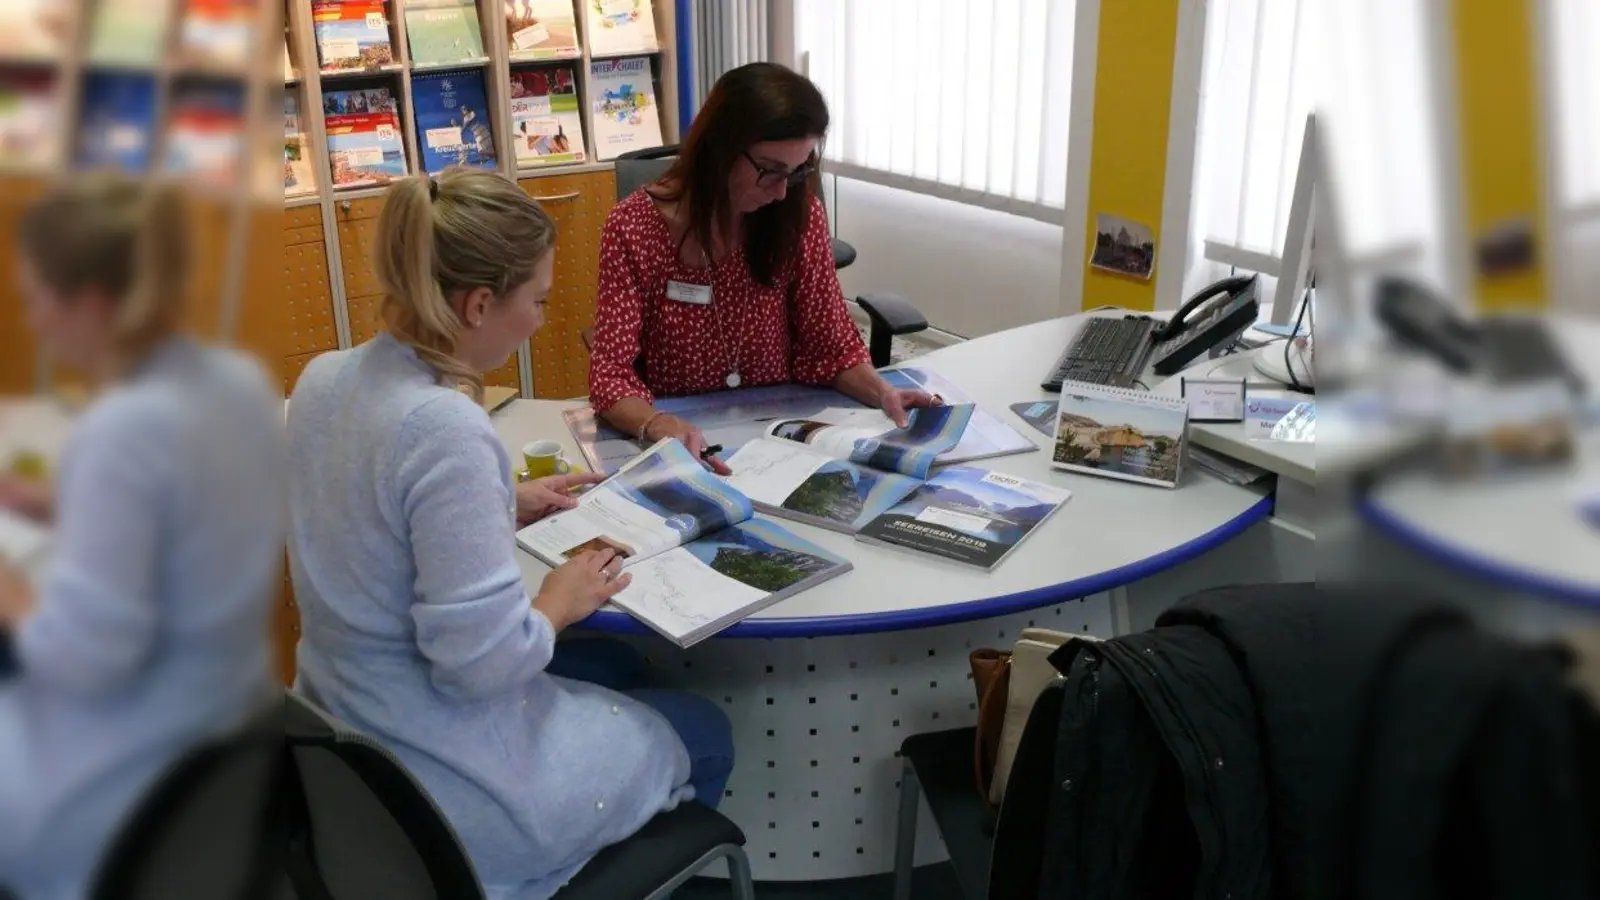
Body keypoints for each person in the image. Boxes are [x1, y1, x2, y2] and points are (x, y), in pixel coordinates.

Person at [286, 167, 732, 899]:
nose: (542, 319)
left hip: (345, 743)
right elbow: (479, 666)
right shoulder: (447, 428)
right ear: (479, 303)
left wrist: (498, 499)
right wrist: (561, 596)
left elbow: (363, 519)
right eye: (539, 301)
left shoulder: (323, 378)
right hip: (439, 783)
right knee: (700, 727)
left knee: (619, 672)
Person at [0, 174, 285, 898]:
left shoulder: (121, 434)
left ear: (93, 303)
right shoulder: (237, 382)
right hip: (229, 734)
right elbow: (193, 516)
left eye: (36, 297)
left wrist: (11, 593)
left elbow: (84, 660)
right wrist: (68, 501)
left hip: (133, 783)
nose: (31, 320)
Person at [588, 62, 936, 473]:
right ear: (720, 145)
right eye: (770, 170)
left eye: (798, 170)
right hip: (687, 441)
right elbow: (610, 373)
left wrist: (882, 391)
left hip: (780, 438)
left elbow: (831, 346)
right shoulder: (634, 227)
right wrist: (656, 424)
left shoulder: (797, 214)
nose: (781, 189)